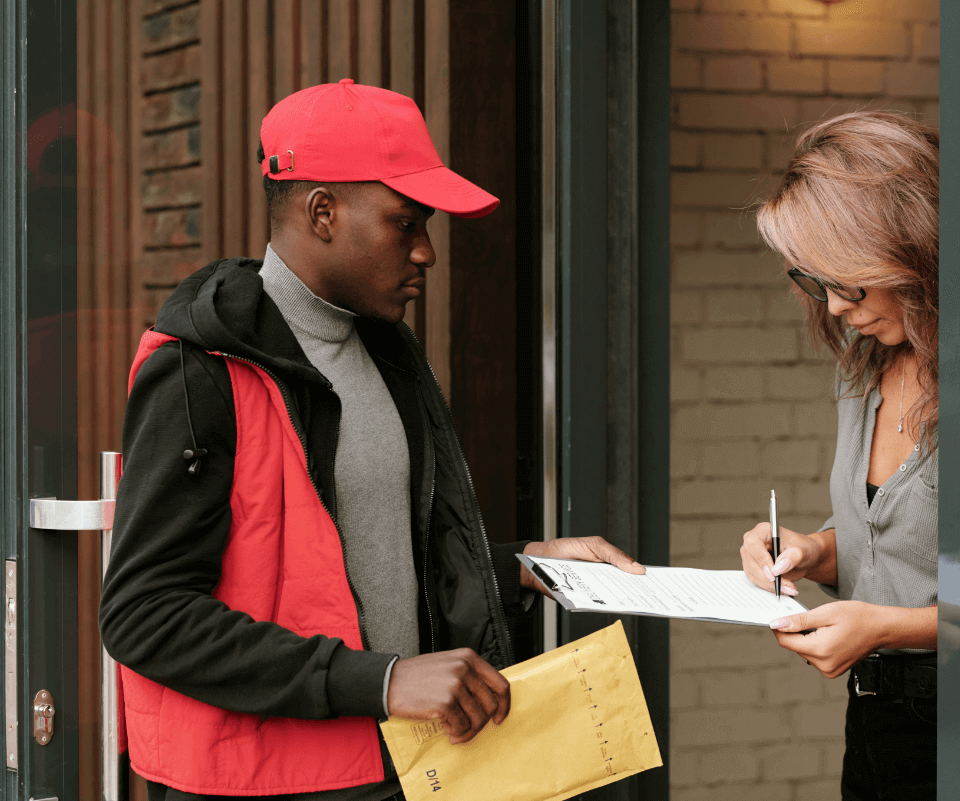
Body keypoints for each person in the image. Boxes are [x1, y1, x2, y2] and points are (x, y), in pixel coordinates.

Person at [99, 79, 643, 801]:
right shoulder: (198, 369)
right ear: (323, 212)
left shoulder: (387, 353)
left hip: (408, 769)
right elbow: (143, 613)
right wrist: (381, 678)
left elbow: (361, 560)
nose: (427, 253)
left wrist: (518, 565)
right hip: (267, 784)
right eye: (405, 224)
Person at [738, 111, 940, 800]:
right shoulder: (862, 370)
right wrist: (812, 551)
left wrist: (885, 625)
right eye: (814, 281)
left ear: (903, 244)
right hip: (875, 720)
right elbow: (895, 539)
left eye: (846, 281)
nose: (834, 305)